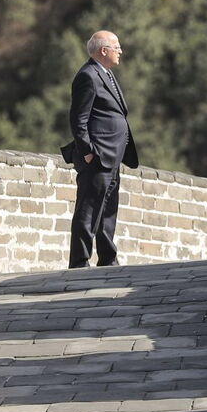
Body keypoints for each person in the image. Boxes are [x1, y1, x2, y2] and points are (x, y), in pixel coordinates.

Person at [62, 30, 139, 268]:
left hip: (113, 155)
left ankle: (107, 258)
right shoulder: (88, 75)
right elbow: (78, 119)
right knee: (88, 209)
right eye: (117, 47)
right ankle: (79, 262)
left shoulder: (105, 73)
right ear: (103, 50)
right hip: (97, 155)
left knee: (108, 210)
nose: (120, 51)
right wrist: (88, 151)